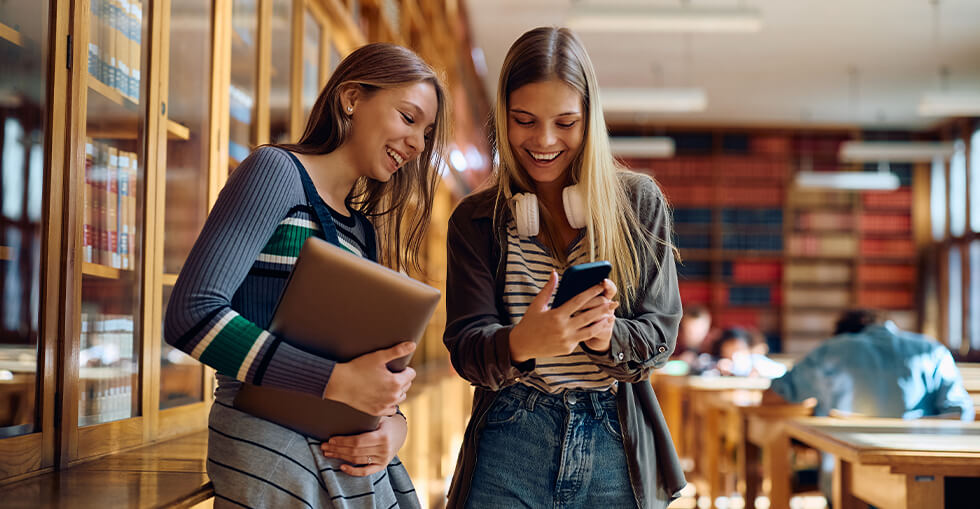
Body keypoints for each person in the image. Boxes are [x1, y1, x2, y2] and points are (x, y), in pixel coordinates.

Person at [164, 43, 449, 508]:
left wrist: (394, 427)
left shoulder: (363, 231)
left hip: (345, 457)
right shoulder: (275, 172)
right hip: (269, 450)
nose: (418, 143)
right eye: (408, 117)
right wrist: (337, 381)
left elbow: (363, 367)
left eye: (427, 132)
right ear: (351, 98)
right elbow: (192, 315)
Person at [443, 27, 686, 509]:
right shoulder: (475, 220)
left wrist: (606, 336)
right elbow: (466, 351)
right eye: (524, 120)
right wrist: (522, 342)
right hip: (511, 435)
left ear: (589, 121)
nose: (544, 140)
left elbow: (661, 335)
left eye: (565, 122)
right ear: (503, 117)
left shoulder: (638, 203)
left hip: (614, 438)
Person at [763, 309, 974, 497]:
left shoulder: (832, 350)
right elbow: (960, 414)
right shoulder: (931, 349)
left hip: (845, 479)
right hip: (927, 477)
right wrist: (910, 427)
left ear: (844, 332)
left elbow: (773, 396)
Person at [709, 327, 785, 378]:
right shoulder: (716, 362)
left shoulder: (753, 360)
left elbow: (781, 370)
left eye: (738, 349)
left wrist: (758, 370)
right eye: (730, 349)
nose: (734, 353)